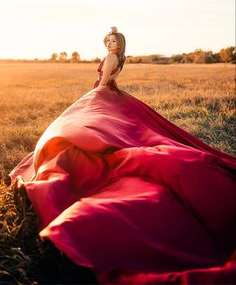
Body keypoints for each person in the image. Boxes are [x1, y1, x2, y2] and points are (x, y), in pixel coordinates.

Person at [7, 27, 236, 285]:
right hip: (103, 91)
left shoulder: (113, 58)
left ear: (120, 44)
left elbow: (105, 80)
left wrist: (97, 93)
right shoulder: (113, 56)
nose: (110, 43)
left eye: (114, 41)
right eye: (108, 40)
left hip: (102, 91)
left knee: (84, 129)